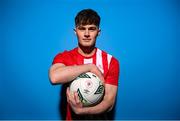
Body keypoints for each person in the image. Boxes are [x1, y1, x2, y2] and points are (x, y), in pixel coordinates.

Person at [49, 8, 120, 120]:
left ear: (98, 32)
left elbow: (109, 103)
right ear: (75, 31)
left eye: (91, 29)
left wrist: (81, 111)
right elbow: (54, 77)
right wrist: (90, 67)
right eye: (82, 29)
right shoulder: (64, 57)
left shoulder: (111, 61)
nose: (86, 34)